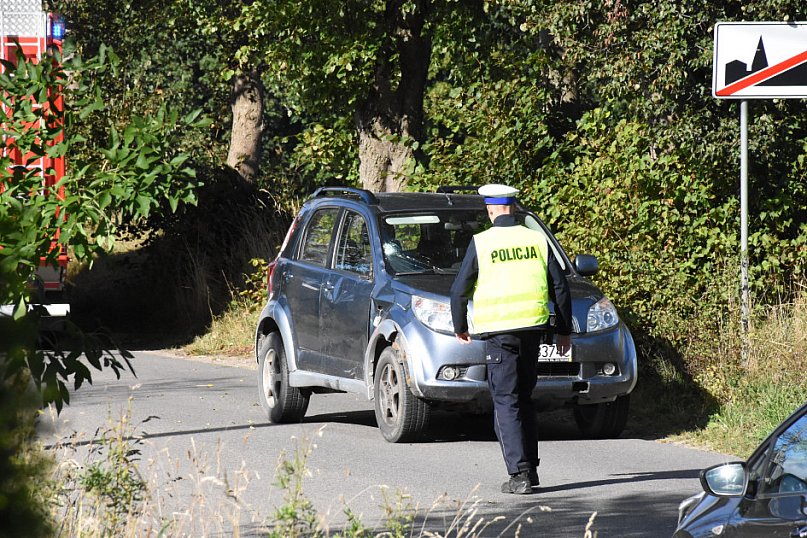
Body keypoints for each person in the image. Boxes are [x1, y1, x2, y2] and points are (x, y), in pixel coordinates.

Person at [450, 184, 572, 495]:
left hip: (500, 334)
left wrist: (460, 326)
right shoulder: (536, 240)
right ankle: (530, 469)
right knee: (524, 399)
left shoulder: (482, 242)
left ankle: (519, 475)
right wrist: (563, 331)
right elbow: (560, 286)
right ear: (514, 208)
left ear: (490, 211)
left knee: (506, 401)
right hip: (532, 330)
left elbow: (459, 289)